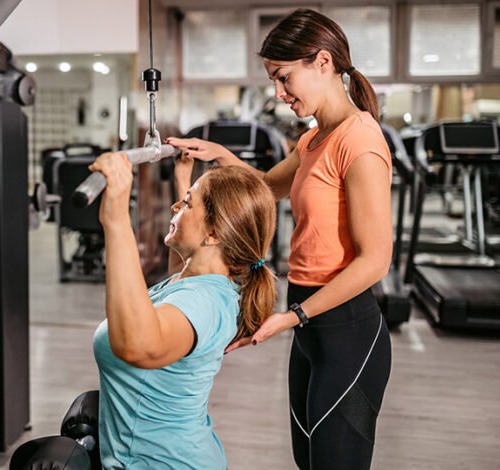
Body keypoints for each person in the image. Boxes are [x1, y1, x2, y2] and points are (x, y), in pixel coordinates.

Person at [167, 8, 393, 470]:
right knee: (307, 459)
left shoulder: (361, 142)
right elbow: (268, 187)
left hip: (346, 327)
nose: (278, 93)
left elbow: (375, 262)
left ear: (323, 63)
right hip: (310, 324)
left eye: (283, 77)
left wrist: (291, 317)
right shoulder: (314, 140)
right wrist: (221, 157)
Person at [88, 150, 276, 469]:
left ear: (215, 234)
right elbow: (188, 263)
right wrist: (183, 183)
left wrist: (116, 217)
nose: (177, 207)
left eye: (187, 204)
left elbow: (137, 345)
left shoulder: (203, 303)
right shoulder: (207, 280)